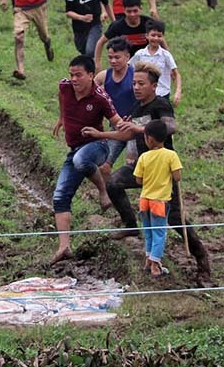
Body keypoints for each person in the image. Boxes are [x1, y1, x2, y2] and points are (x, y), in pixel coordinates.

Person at [103, 63, 211, 280]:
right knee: (113, 183)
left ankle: (201, 257)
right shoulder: (137, 107)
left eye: (141, 84)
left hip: (162, 170)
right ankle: (130, 225)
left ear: (154, 86)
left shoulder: (160, 104)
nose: (136, 87)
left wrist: (140, 128)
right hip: (141, 165)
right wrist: (100, 134)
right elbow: (129, 134)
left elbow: (170, 126)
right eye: (134, 83)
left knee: (174, 217)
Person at [50, 55, 122, 265]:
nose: (74, 79)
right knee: (60, 197)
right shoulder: (65, 87)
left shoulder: (100, 97)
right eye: (71, 74)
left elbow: (117, 123)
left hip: (97, 146)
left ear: (91, 75)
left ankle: (102, 189)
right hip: (74, 150)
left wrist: (123, 130)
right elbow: (61, 96)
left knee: (81, 160)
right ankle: (64, 246)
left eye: (79, 75)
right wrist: (61, 118)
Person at [131, 119, 180, 278]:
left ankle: (148, 260)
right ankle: (155, 265)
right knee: (159, 233)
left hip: (144, 200)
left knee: (148, 232)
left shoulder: (144, 157)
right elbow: (177, 177)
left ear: (149, 139)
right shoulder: (171, 155)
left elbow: (138, 180)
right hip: (159, 202)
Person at [94, 38, 135, 180]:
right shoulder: (104, 76)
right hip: (116, 127)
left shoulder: (136, 76)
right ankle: (107, 191)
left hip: (135, 127)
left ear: (127, 57)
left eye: (117, 57)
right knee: (104, 165)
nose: (113, 61)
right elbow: (90, 92)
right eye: (110, 57)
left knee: (132, 164)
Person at [94, 0, 164, 66]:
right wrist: (97, 62)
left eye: (135, 11)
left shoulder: (148, 23)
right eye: (129, 11)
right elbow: (100, 42)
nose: (132, 14)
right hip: (125, 64)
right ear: (124, 10)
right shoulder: (117, 26)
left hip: (147, 62)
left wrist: (167, 56)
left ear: (140, 9)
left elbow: (160, 39)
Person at [128, 20, 181, 106]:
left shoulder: (166, 55)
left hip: (162, 94)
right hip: (144, 95)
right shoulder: (140, 54)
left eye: (159, 36)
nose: (156, 38)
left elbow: (176, 74)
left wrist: (178, 91)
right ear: (147, 36)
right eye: (153, 35)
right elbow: (129, 69)